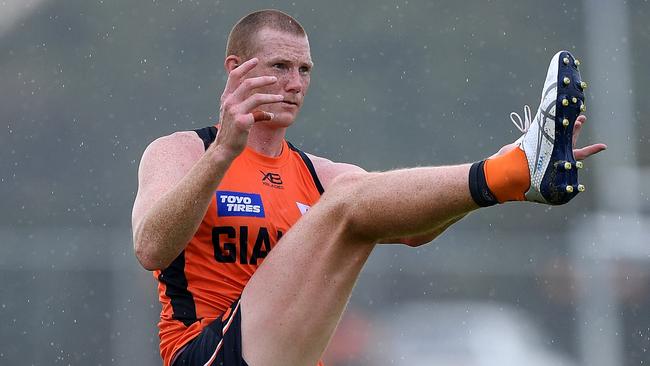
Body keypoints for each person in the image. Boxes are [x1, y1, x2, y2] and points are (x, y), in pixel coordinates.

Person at [131, 9, 606, 366]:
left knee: (355, 193)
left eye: (305, 70)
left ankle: (516, 172)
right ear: (236, 68)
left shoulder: (320, 175)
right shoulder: (182, 151)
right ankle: (514, 170)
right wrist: (223, 154)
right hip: (208, 352)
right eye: (279, 66)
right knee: (350, 198)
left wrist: (505, 175)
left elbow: (415, 230)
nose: (294, 83)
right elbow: (151, 248)